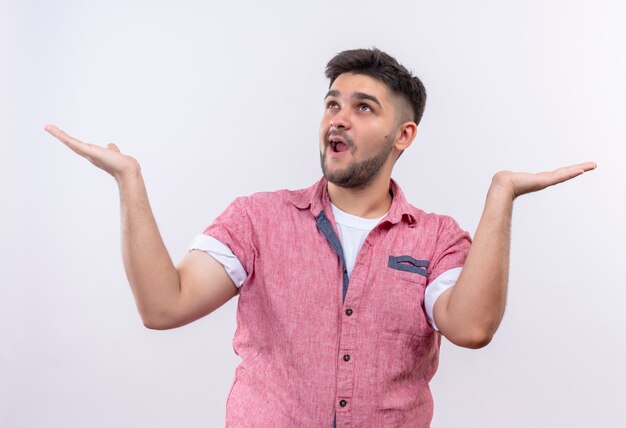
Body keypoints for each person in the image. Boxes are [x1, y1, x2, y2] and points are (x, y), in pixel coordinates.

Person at [45, 48, 596, 427]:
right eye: (333, 103)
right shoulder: (256, 219)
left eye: (363, 108)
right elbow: (164, 306)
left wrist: (501, 196)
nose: (339, 118)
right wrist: (130, 181)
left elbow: (471, 327)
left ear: (404, 135)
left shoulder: (436, 239)